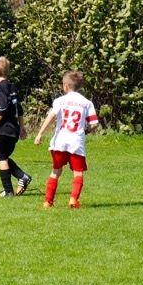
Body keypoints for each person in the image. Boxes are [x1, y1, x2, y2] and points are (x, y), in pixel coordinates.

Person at [34, 70, 98, 209]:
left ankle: (48, 201)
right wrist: (86, 131)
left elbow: (51, 116)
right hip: (76, 142)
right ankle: (73, 199)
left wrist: (40, 133)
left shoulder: (60, 101)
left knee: (56, 171)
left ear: (66, 86)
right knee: (78, 172)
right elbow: (94, 123)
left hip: (60, 142)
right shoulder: (86, 103)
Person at [0, 57, 32, 197]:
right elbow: (19, 108)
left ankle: (9, 190)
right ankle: (22, 176)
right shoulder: (11, 87)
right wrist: (21, 126)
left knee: (1, 157)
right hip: (13, 128)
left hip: (4, 129)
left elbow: (2, 108)